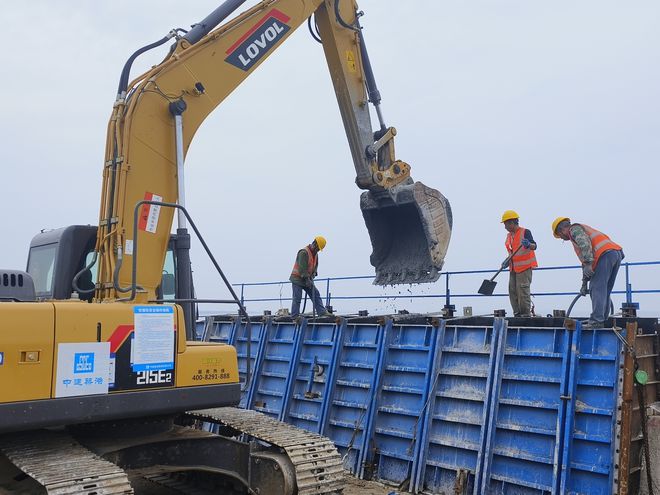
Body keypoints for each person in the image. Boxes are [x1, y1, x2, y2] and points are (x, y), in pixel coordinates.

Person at [552, 217, 624, 327]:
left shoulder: (574, 230)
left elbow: (585, 245)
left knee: (596, 288)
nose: (562, 238)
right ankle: (601, 319)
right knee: (604, 289)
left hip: (604, 255)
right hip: (614, 254)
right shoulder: (581, 231)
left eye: (560, 236)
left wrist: (589, 264)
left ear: (561, 230)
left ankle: (596, 321)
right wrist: (584, 284)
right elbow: (585, 265)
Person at [501, 210, 537, 317]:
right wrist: (507, 261)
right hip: (513, 268)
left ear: (512, 222)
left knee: (523, 291)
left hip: (524, 268)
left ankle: (525, 314)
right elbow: (512, 252)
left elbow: (534, 246)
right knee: (512, 291)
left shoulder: (525, 232)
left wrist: (528, 244)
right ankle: (517, 313)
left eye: (506, 224)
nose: (505, 227)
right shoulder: (509, 236)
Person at [290, 236, 330, 317]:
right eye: (318, 248)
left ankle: (322, 312)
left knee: (315, 294)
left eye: (319, 249)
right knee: (297, 298)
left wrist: (314, 274)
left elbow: (315, 266)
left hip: (307, 279)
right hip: (297, 279)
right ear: (314, 244)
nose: (318, 250)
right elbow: (302, 269)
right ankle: (294, 316)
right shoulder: (304, 252)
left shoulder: (315, 254)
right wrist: (307, 279)